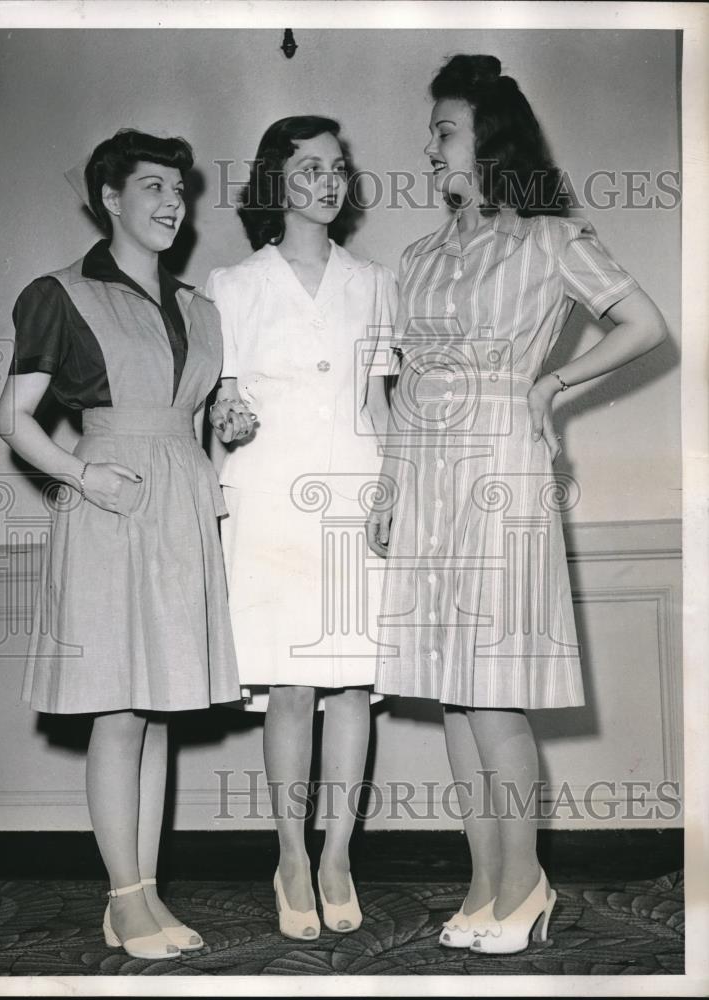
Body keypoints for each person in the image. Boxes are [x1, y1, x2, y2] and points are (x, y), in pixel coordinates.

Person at [367, 55, 668, 955]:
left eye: (444, 132)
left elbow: (645, 323)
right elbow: (404, 380)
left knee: (494, 695)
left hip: (500, 463)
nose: (429, 149)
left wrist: (551, 387)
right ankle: (485, 881)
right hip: (425, 471)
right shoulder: (418, 257)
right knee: (456, 700)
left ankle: (526, 879)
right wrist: (388, 483)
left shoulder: (549, 237)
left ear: (489, 141)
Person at [0, 129, 248, 961]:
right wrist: (81, 475)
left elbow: (201, 416)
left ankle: (142, 895)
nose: (172, 204)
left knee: (159, 706)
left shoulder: (202, 308)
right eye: (152, 188)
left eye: (179, 190)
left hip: (179, 505)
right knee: (117, 707)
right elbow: (12, 418)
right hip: (109, 501)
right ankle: (124, 898)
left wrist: (224, 437)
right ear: (110, 198)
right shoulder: (60, 294)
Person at [206, 116, 396, 940]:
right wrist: (228, 411)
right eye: (309, 165)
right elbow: (220, 401)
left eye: (338, 166)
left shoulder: (375, 282)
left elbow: (379, 402)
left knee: (352, 684)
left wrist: (394, 485)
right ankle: (289, 854)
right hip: (272, 500)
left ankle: (337, 855)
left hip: (355, 496)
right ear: (275, 181)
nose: (328, 178)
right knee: (290, 685)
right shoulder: (232, 285)